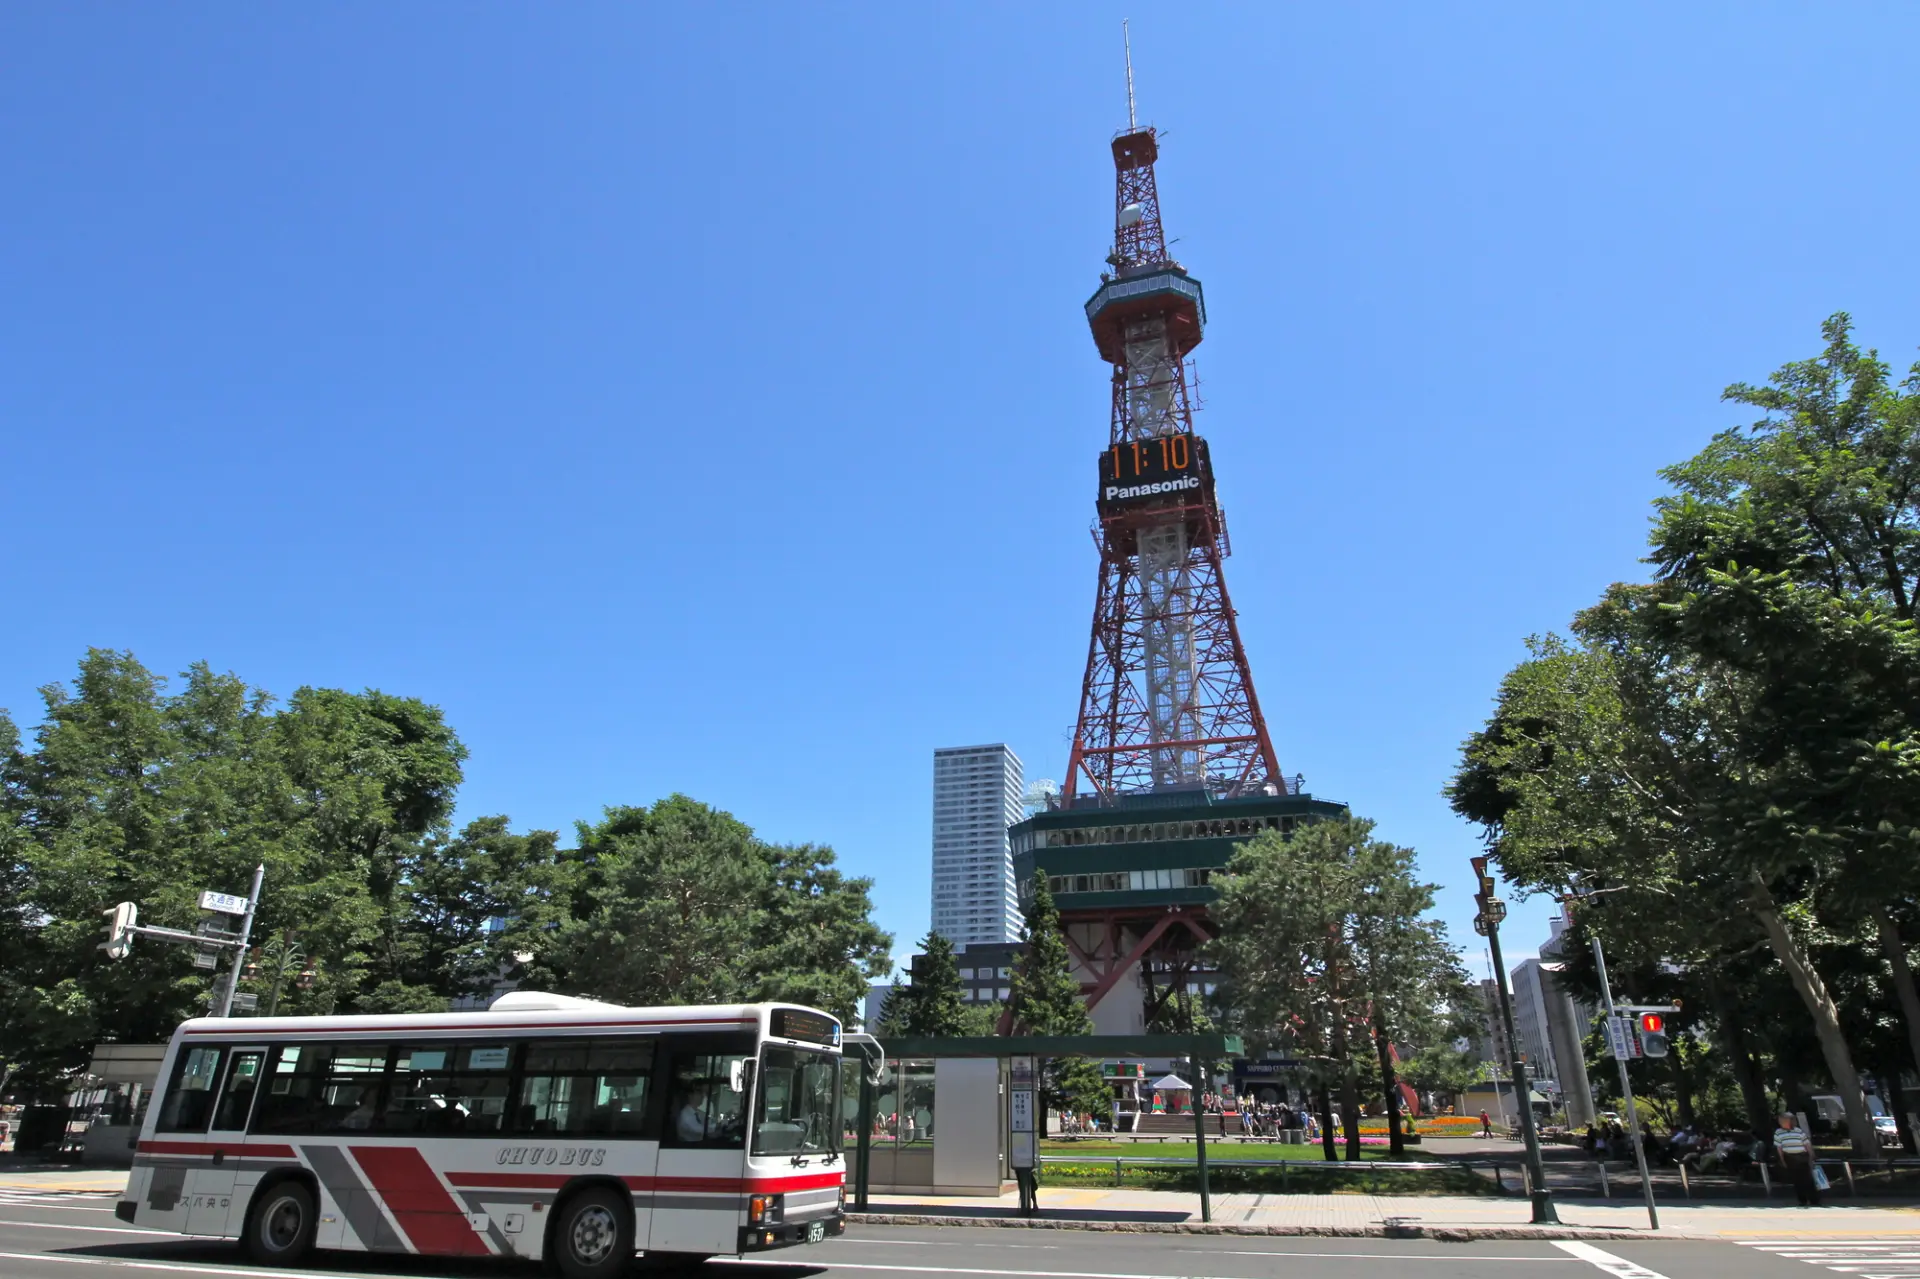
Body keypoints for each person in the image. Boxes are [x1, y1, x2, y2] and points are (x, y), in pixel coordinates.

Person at [1773, 1113, 1819, 1206]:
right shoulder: (1778, 1132)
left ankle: (1814, 1200)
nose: (1780, 1122)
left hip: (1802, 1156)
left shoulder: (1798, 1131)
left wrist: (1811, 1155)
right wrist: (1782, 1160)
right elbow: (1779, 1148)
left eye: (1782, 1120)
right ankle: (1802, 1200)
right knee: (1797, 1180)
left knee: (1808, 1179)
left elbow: (1807, 1144)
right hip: (1790, 1157)